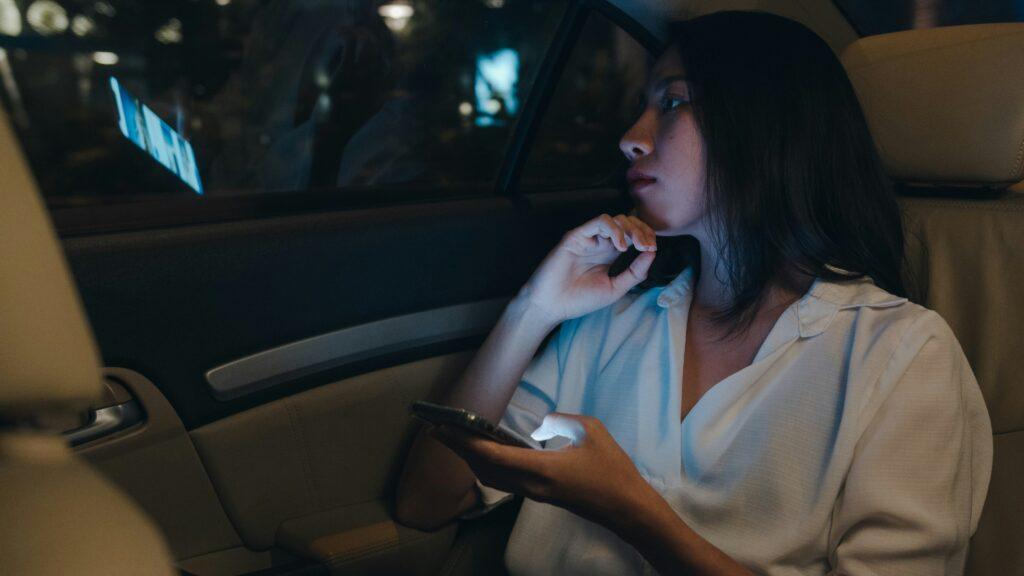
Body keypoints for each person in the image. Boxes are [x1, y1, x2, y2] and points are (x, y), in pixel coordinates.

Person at [395, 11, 992, 576]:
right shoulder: (614, 320)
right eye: (641, 108)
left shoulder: (901, 354)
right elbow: (427, 500)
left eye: (673, 102)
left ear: (765, 124)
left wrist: (630, 509)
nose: (630, 139)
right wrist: (533, 310)